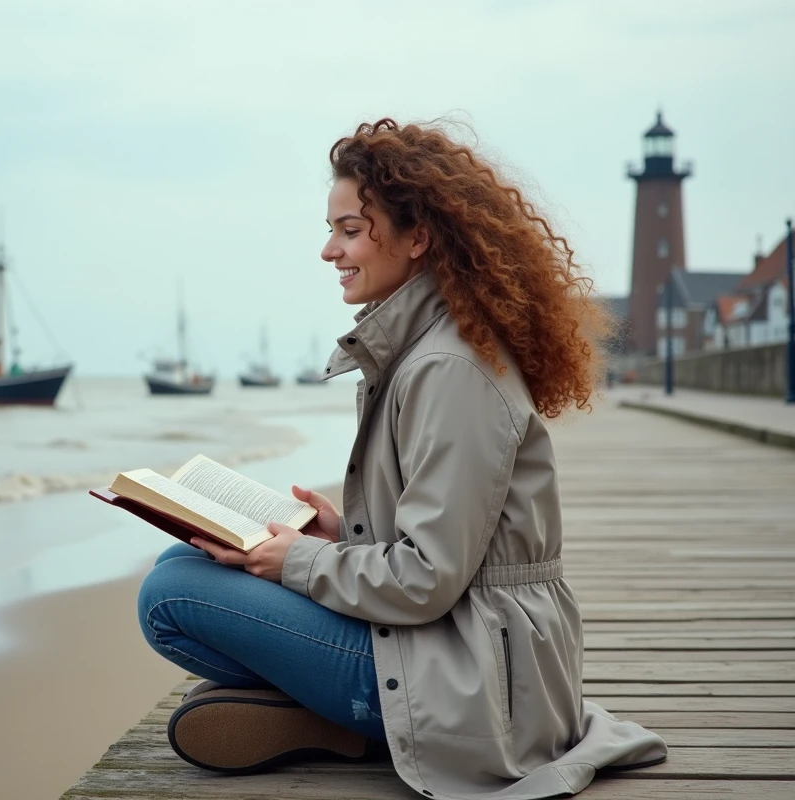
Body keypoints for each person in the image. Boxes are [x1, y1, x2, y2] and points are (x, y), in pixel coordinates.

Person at [136, 118, 668, 799]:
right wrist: (338, 535)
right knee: (180, 560)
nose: (330, 249)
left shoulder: (450, 369)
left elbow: (429, 578)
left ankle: (367, 721)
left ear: (419, 238)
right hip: (465, 649)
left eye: (351, 229)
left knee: (169, 596)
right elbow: (451, 547)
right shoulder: (428, 346)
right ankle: (343, 714)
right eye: (332, 229)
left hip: (477, 684)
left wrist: (297, 562)